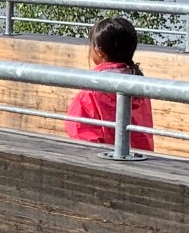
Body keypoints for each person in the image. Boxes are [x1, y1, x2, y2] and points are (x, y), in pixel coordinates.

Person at [66, 15, 154, 153]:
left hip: (104, 161)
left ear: (98, 51)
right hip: (140, 159)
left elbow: (79, 132)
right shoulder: (139, 85)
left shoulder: (90, 91)